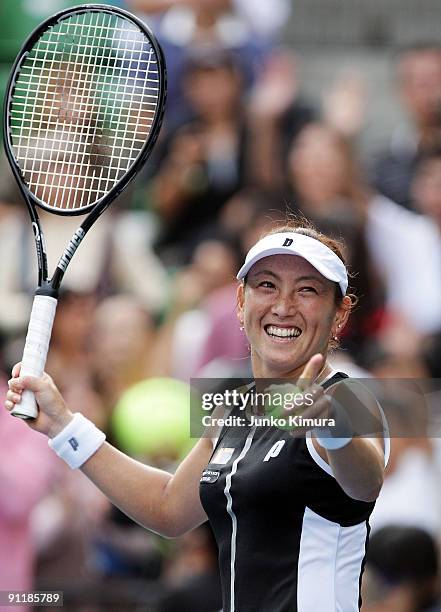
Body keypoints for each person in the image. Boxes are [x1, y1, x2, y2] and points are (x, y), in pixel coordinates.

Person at [5, 221, 388, 612]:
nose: (283, 306)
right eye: (267, 285)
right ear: (240, 301)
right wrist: (63, 424)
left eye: (307, 289)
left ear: (340, 314)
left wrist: (332, 428)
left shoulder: (347, 396)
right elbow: (168, 508)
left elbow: (365, 482)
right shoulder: (232, 410)